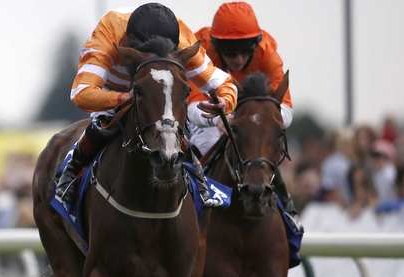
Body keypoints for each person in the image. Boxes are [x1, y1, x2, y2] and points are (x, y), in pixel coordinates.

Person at [57, 3, 236, 206]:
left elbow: (223, 83)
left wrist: (226, 101)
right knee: (105, 122)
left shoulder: (183, 39)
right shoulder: (109, 32)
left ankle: (199, 178)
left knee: (171, 124)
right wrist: (124, 98)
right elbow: (81, 93)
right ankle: (70, 172)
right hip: (114, 90)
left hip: (156, 92)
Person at [185, 1, 302, 230]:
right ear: (217, 46)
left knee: (259, 147)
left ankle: (288, 210)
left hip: (250, 115)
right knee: (206, 140)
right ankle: (194, 208)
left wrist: (255, 119)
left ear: (255, 45)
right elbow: (193, 106)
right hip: (210, 114)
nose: (238, 59)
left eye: (244, 50)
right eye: (230, 52)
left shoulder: (267, 54)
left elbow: (286, 109)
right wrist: (218, 120)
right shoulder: (201, 52)